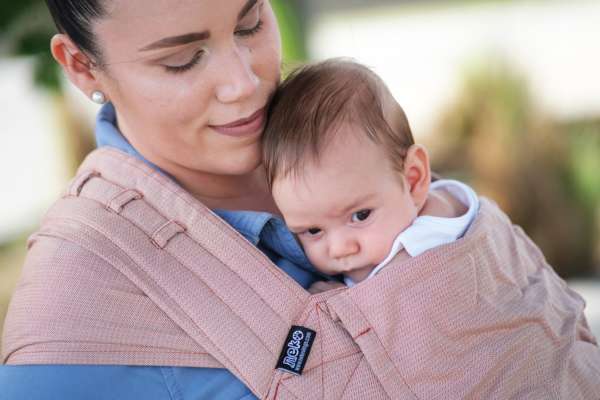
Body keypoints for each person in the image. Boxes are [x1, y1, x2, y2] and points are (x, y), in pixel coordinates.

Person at [1, 1, 599, 399]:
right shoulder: (70, 327)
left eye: (250, 23)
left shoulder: (333, 130)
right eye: (181, 59)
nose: (245, 83)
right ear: (81, 66)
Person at [262, 59, 479, 289]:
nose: (339, 249)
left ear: (414, 180)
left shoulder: (429, 239)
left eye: (361, 215)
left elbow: (397, 303)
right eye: (313, 231)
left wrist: (341, 301)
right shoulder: (401, 215)